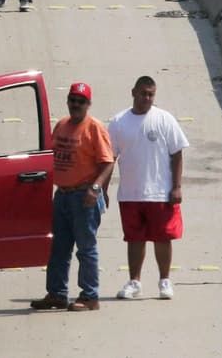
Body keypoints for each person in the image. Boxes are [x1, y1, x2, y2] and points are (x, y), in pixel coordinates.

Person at [31, 82, 114, 312]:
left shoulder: (94, 128)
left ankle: (90, 296)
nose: (76, 105)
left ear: (88, 104)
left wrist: (96, 189)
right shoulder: (62, 125)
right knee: (59, 247)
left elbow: (107, 162)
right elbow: (48, 157)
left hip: (84, 196)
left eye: (81, 101)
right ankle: (57, 294)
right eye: (73, 100)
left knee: (86, 248)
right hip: (63, 196)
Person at [108, 75, 189, 300]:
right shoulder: (118, 122)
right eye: (143, 93)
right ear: (133, 92)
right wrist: (102, 190)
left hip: (160, 193)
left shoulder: (164, 119)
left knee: (162, 238)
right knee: (134, 239)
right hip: (130, 193)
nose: (147, 98)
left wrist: (177, 187)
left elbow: (177, 154)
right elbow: (109, 158)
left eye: (151, 94)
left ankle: (165, 281)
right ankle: (134, 282)